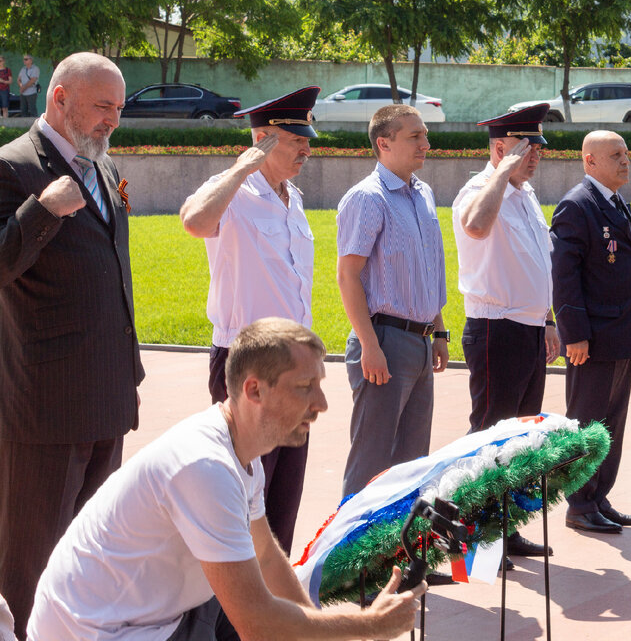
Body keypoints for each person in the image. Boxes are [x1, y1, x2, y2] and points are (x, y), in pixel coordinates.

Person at [27, 318, 425, 641]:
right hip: (95, 631)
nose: (320, 404)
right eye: (305, 387)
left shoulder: (238, 452)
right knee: (261, 617)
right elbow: (259, 625)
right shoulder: (205, 466)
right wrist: (370, 626)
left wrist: (313, 626)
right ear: (254, 389)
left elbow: (267, 558)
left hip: (147, 615)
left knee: (264, 604)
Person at [0, 51, 144, 638]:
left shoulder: (104, 168)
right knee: (31, 560)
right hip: (44, 405)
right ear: (58, 97)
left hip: (107, 393)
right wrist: (42, 210)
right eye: (101, 106)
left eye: (118, 108)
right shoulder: (11, 168)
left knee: (90, 551)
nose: (112, 119)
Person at [179, 86, 320, 555]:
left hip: (294, 366)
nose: (306, 147)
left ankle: (274, 607)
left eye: (306, 138)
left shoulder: (292, 197)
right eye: (295, 139)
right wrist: (242, 168)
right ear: (261, 139)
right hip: (247, 366)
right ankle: (231, 619)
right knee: (241, 500)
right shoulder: (235, 191)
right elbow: (195, 221)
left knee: (283, 500)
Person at [451, 103, 557, 558]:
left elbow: (538, 262)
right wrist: (502, 172)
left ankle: (505, 528)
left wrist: (548, 319)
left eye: (537, 147)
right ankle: (473, 533)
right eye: (526, 148)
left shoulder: (525, 195)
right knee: (490, 435)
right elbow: (476, 226)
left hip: (529, 329)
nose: (536, 155)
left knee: (519, 439)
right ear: (501, 148)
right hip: (496, 329)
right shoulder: (479, 190)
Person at [337, 104, 448, 498]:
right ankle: (347, 558)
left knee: (412, 465)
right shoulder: (367, 198)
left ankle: (398, 555)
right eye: (414, 136)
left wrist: (439, 331)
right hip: (384, 340)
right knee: (371, 463)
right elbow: (347, 275)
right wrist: (369, 345)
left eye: (424, 134)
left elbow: (429, 269)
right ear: (384, 143)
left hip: (420, 342)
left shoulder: (423, 194)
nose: (426, 143)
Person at [550, 130, 631, 534]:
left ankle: (598, 496)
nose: (625, 161)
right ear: (589, 161)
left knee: (611, 421)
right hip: (592, 337)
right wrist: (573, 332)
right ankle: (579, 503)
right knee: (587, 421)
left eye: (626, 153)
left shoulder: (614, 202)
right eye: (615, 155)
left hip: (621, 331)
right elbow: (564, 275)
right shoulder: (577, 205)